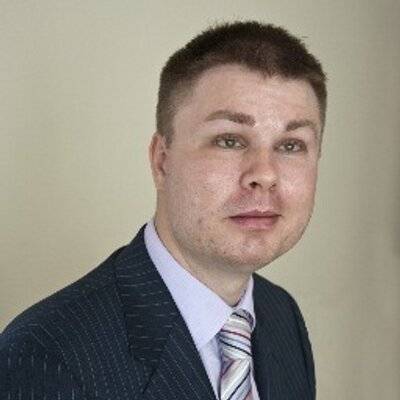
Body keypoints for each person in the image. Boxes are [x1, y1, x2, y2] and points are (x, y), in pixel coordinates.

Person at [0, 21, 326, 400]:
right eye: (229, 140)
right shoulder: (45, 357)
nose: (264, 175)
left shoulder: (281, 316)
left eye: (291, 145)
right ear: (162, 161)